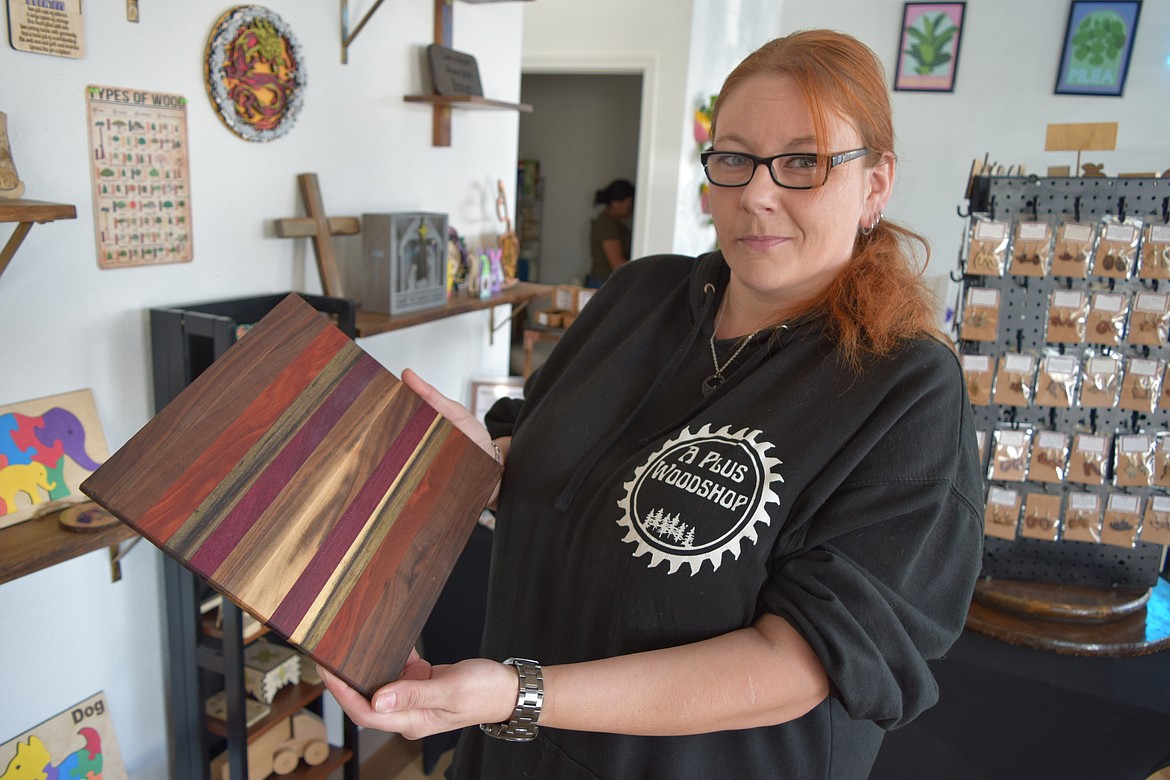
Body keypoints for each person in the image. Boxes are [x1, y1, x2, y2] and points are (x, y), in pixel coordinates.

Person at [322, 29, 984, 779]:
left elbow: (799, 661)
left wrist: (520, 694)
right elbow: (546, 458)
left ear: (875, 183)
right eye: (734, 158)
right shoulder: (641, 296)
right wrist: (479, 458)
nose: (758, 194)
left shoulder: (902, 388)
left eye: (802, 162)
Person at [587, 178, 634, 286]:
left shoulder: (617, 224)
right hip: (603, 284)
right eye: (629, 202)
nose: (630, 208)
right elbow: (616, 262)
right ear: (616, 203)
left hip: (607, 283)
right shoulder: (606, 224)